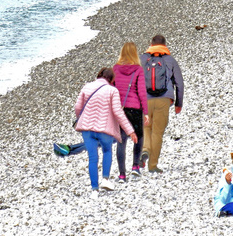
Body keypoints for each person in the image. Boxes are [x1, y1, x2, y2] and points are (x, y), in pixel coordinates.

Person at [73, 66, 137, 192]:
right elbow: (118, 112)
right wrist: (130, 131)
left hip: (87, 129)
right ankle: (105, 180)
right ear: (111, 79)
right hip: (104, 129)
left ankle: (94, 189)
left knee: (92, 157)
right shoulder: (112, 91)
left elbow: (77, 107)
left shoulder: (87, 87)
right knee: (107, 151)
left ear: (99, 75)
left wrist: (81, 117)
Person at [142, 35, 183, 172]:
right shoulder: (170, 60)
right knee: (158, 133)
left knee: (146, 128)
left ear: (151, 44)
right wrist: (179, 103)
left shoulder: (142, 59)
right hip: (164, 99)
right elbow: (179, 83)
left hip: (145, 99)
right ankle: (152, 166)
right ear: (165, 45)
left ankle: (145, 148)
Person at [112, 42, 149, 178]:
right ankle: (135, 166)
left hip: (120, 109)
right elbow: (141, 93)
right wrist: (145, 112)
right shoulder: (138, 70)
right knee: (138, 137)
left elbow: (112, 90)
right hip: (135, 109)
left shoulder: (115, 69)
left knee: (121, 141)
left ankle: (122, 174)